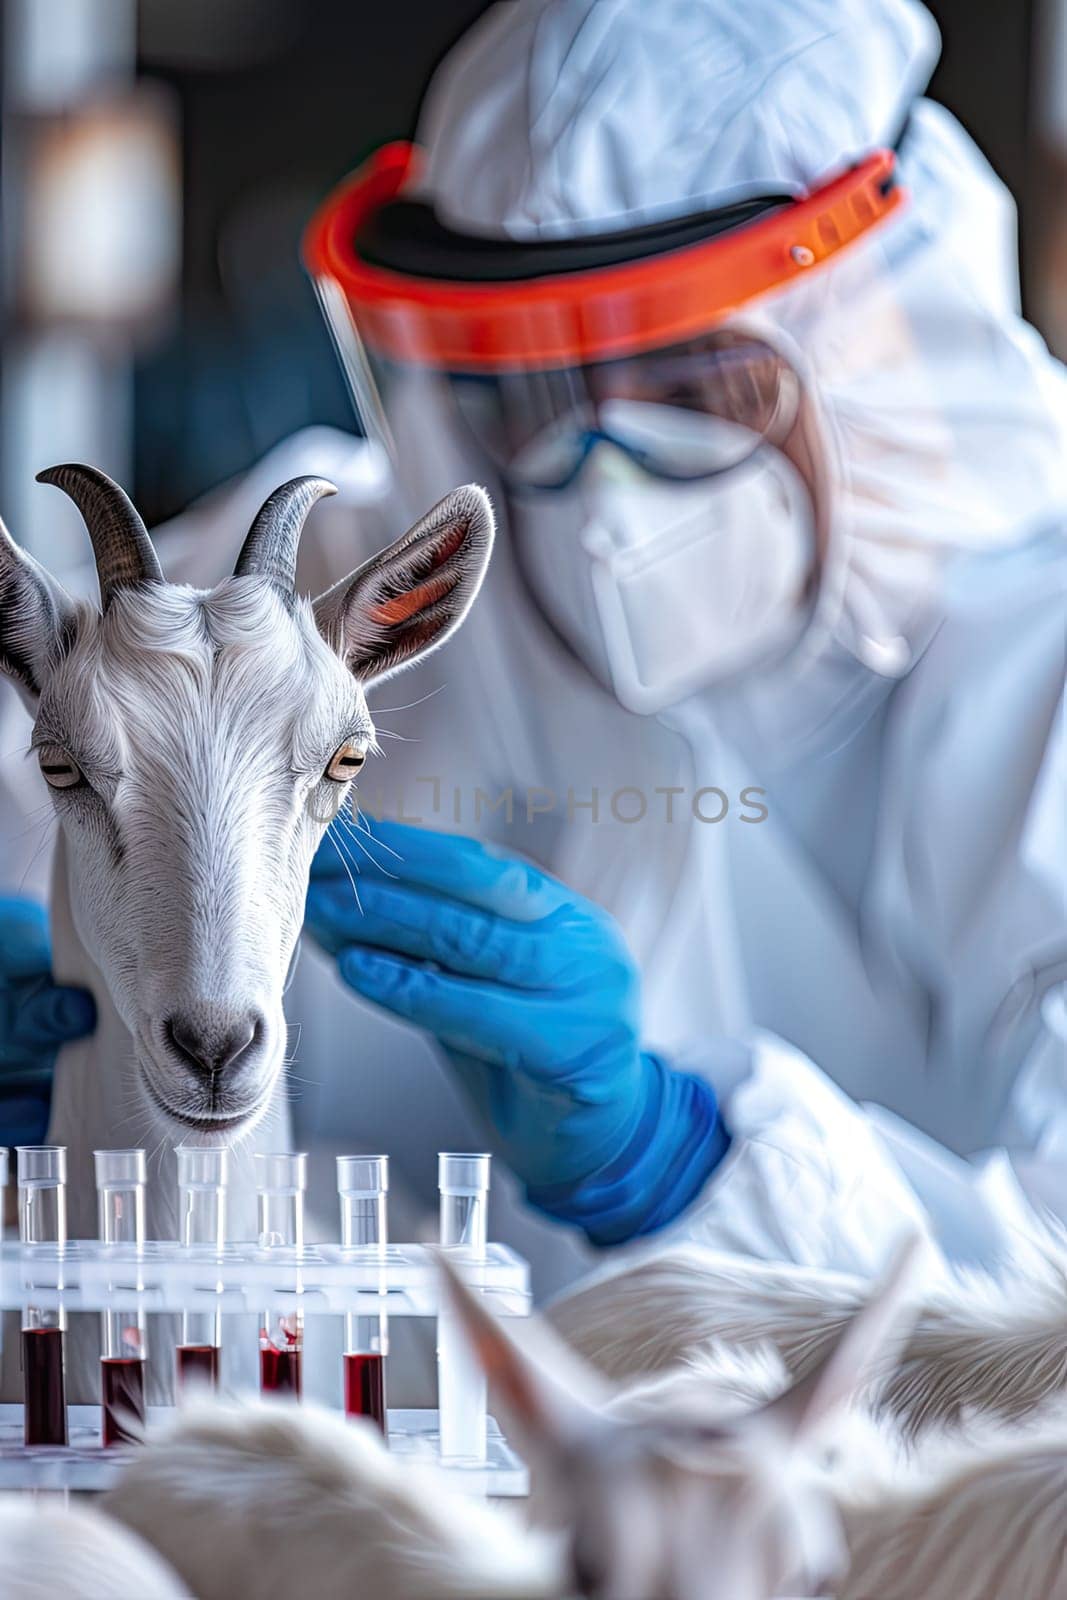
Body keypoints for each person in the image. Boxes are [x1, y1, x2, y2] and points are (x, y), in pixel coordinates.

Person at [2, 0, 1064, 1291]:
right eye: (528, 391)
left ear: (876, 333)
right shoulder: (309, 610)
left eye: (693, 385)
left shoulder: (1038, 665)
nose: (601, 497)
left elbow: (1043, 1301)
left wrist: (683, 1163)